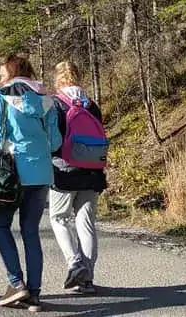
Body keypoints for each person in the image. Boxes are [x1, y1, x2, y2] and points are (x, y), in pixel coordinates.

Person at [0, 54, 61, 312]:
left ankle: (16, 282)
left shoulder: (2, 99)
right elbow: (56, 142)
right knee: (30, 231)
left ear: (11, 73)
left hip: (11, 174)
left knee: (1, 225)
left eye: (2, 72)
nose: (0, 77)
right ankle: (34, 294)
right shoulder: (47, 102)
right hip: (40, 174)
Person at [49, 61, 106, 295]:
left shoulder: (56, 104)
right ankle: (88, 278)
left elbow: (53, 140)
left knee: (59, 218)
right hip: (92, 170)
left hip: (64, 171)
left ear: (58, 79)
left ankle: (75, 264)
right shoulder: (91, 105)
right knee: (86, 222)